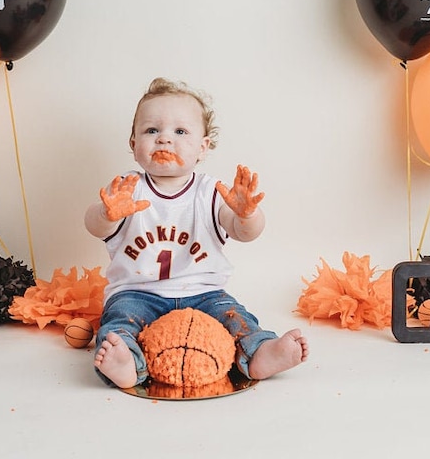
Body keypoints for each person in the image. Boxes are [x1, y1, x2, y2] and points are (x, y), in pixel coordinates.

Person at [85, 77, 308, 389]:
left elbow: (244, 233)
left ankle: (260, 352)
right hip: (137, 294)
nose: (164, 139)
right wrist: (106, 214)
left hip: (205, 294)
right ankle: (127, 363)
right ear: (134, 145)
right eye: (152, 131)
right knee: (118, 322)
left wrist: (247, 214)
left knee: (236, 318)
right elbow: (95, 226)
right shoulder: (127, 189)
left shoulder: (210, 192)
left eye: (180, 131)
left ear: (202, 148)